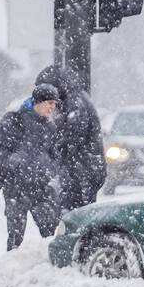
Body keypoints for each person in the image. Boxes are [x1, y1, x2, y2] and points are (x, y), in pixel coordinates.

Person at [0, 84, 62, 251]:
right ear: (39, 101)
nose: (53, 107)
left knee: (50, 232)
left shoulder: (49, 127)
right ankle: (10, 267)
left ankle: (49, 266)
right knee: (15, 236)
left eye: (55, 104)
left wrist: (49, 169)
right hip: (16, 187)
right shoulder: (14, 121)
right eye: (50, 103)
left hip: (41, 187)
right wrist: (14, 162)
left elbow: (55, 156)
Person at [35, 65, 106, 211]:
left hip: (83, 170)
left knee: (77, 214)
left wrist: (52, 149)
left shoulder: (75, 103)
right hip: (84, 168)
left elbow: (73, 135)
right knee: (77, 212)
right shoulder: (73, 99)